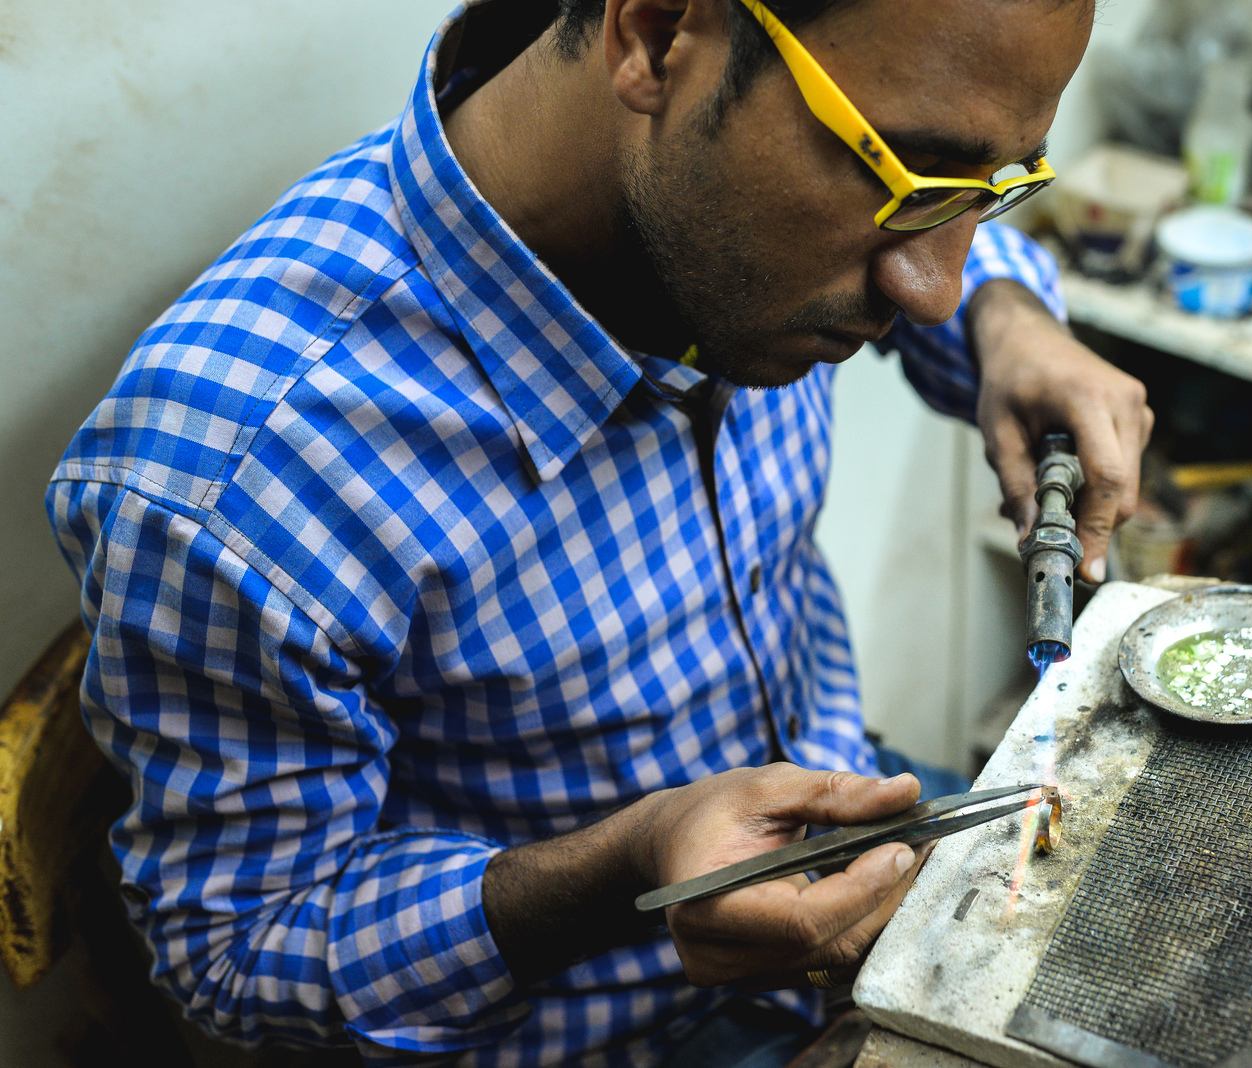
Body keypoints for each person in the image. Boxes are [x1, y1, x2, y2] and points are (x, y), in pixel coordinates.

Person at [46, 0, 1151, 1063]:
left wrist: (1012, 320)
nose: (931, 288)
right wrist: (624, 868)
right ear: (658, 35)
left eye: (989, 190)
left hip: (851, 803)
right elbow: (236, 950)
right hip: (618, 1032)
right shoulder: (236, 478)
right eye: (908, 174)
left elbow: (949, 243)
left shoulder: (728, 213)